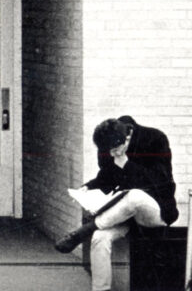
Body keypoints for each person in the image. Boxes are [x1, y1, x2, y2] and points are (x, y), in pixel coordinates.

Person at [53, 117, 178, 291]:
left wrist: (127, 165)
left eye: (116, 150)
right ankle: (100, 289)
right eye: (109, 152)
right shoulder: (109, 146)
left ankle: (86, 229)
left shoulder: (155, 139)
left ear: (127, 137)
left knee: (135, 196)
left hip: (155, 210)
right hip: (122, 214)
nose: (113, 155)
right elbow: (106, 178)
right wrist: (87, 188)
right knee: (99, 238)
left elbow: (161, 183)